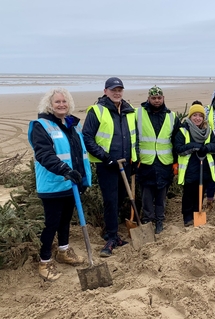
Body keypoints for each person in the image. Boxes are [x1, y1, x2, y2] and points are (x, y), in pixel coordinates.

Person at [28, 88, 92, 281]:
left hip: (72, 184)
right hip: (53, 185)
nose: (62, 104)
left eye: (65, 101)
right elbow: (44, 155)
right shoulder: (42, 126)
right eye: (57, 102)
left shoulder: (72, 124)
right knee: (52, 223)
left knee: (65, 221)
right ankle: (45, 261)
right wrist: (65, 170)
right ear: (50, 104)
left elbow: (78, 153)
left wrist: (81, 177)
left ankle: (63, 251)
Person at [82, 77, 137, 257]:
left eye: (120, 89)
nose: (117, 92)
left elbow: (133, 137)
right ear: (106, 91)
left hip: (125, 163)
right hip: (108, 165)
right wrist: (106, 158)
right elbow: (87, 138)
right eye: (113, 89)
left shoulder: (129, 111)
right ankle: (112, 236)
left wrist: (134, 160)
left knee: (121, 198)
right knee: (111, 200)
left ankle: (110, 231)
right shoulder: (97, 111)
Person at [136, 86, 180, 234]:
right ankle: (148, 220)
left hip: (164, 163)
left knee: (161, 195)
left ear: (163, 98)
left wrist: (176, 162)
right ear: (148, 98)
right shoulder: (138, 114)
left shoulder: (172, 116)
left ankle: (159, 221)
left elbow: (176, 141)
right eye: (153, 98)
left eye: (159, 98)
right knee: (146, 195)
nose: (156, 100)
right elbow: (132, 136)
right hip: (145, 163)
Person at [174, 101, 215, 226]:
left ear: (203, 118)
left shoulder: (208, 131)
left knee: (200, 192)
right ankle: (187, 217)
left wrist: (207, 148)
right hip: (189, 168)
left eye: (200, 116)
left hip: (204, 168)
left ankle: (197, 213)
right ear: (190, 116)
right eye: (194, 115)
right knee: (189, 193)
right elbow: (179, 148)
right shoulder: (183, 131)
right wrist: (194, 146)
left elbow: (214, 145)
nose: (197, 118)